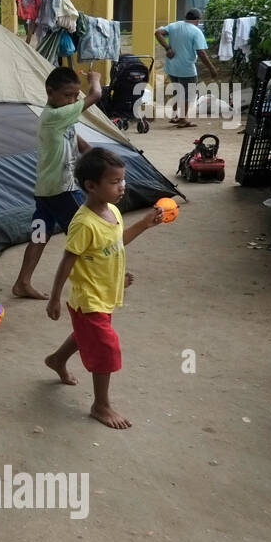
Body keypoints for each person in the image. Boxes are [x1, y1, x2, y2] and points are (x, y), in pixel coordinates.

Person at [44, 148, 165, 429]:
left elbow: (114, 244)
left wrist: (144, 225)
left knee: (87, 335)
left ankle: (56, 359)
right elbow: (67, 260)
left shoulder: (111, 211)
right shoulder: (84, 223)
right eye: (114, 182)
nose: (122, 186)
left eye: (123, 180)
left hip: (106, 292)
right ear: (91, 186)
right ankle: (101, 404)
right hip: (89, 297)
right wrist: (54, 299)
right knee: (106, 348)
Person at [12, 67, 97, 300]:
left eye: (75, 96)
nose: (72, 100)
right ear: (50, 92)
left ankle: (22, 282)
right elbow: (96, 95)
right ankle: (102, 279)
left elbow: (79, 142)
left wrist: (97, 157)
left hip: (44, 192)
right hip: (62, 189)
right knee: (89, 232)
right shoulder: (53, 116)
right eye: (67, 95)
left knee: (39, 236)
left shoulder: (61, 116)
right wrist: (95, 80)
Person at [155, 9, 217, 128]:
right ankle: (183, 119)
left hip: (172, 67)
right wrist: (211, 68)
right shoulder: (196, 31)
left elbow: (157, 33)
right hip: (186, 68)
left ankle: (175, 116)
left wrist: (168, 48)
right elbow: (201, 53)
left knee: (179, 91)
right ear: (198, 20)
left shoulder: (174, 25)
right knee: (189, 94)